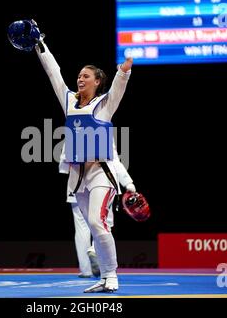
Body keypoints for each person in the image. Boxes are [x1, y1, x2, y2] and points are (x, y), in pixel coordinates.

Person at [35, 30, 133, 293]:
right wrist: (40, 43)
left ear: (97, 81)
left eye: (85, 76)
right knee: (92, 224)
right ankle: (102, 277)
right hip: (77, 176)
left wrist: (124, 71)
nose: (80, 78)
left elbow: (118, 88)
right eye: (79, 75)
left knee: (97, 221)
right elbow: (53, 73)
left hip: (102, 172)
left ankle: (111, 276)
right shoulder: (68, 100)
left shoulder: (104, 104)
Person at [59, 144, 136, 279]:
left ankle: (86, 270)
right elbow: (114, 160)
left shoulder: (73, 129)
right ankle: (95, 250)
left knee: (82, 228)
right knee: (103, 222)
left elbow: (65, 159)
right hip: (100, 182)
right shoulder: (102, 130)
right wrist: (128, 183)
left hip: (76, 185)